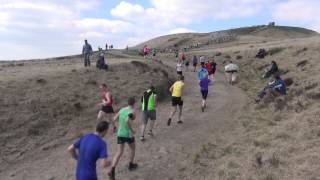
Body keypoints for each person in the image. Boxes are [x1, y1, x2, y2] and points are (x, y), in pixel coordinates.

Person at [108, 97, 138, 180]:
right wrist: (132, 130)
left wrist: (114, 127)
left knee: (119, 152)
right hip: (128, 134)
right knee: (133, 149)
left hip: (120, 133)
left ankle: (112, 170)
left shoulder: (121, 110)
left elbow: (113, 119)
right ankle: (131, 165)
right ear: (134, 104)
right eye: (136, 103)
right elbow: (127, 120)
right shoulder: (132, 111)